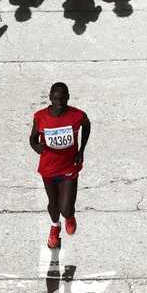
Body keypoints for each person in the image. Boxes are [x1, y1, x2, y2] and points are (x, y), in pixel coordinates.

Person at [29, 82, 90, 249]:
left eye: (63, 98)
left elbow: (87, 125)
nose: (60, 101)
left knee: (66, 208)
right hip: (48, 169)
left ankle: (69, 216)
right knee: (53, 204)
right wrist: (36, 147)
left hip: (69, 167)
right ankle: (55, 227)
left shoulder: (77, 115)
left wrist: (81, 150)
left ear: (68, 97)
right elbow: (32, 139)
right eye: (56, 98)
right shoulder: (40, 117)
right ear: (50, 98)